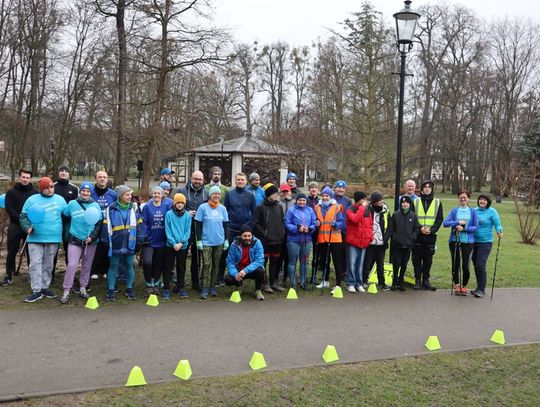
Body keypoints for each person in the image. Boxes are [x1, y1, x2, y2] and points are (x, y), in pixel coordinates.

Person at [19, 177, 67, 302]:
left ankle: (45, 287)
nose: (50, 190)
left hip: (53, 237)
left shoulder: (60, 200)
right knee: (35, 264)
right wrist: (27, 227)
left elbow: (67, 215)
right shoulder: (32, 200)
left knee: (49, 264)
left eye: (52, 187)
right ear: (41, 189)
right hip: (35, 238)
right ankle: (36, 290)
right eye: (47, 188)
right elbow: (23, 216)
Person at [59, 182, 102, 304]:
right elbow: (65, 215)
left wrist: (92, 237)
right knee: (72, 265)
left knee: (86, 266)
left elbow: (98, 223)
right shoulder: (72, 204)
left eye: (88, 191)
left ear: (91, 193)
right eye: (83, 191)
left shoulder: (95, 205)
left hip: (90, 241)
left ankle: (83, 288)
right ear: (80, 191)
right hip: (75, 240)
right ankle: (66, 290)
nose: (85, 193)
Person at [101, 185, 145, 301]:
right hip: (115, 243)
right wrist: (105, 241)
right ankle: (110, 289)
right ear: (120, 196)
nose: (130, 197)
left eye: (130, 194)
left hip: (130, 243)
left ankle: (129, 288)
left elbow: (140, 224)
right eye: (127, 194)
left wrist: (139, 241)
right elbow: (105, 226)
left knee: (129, 265)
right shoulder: (111, 209)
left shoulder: (134, 208)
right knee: (113, 266)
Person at [1, 169, 37, 286]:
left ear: (30, 179)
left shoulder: (35, 193)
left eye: (27, 178)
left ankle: (32, 275)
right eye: (23, 177)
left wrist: (27, 223)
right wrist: (21, 220)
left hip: (30, 227)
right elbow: (9, 209)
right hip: (15, 225)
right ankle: (8, 275)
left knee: (31, 252)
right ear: (19, 177)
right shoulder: (11, 192)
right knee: (12, 251)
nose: (25, 179)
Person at [194, 186, 229, 299]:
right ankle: (204, 287)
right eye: (214, 194)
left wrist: (226, 239)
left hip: (219, 241)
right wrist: (199, 240)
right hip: (206, 241)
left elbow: (226, 225)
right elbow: (198, 225)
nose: (217, 196)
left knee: (216, 264)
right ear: (210, 195)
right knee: (207, 264)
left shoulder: (222, 208)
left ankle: (212, 286)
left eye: (218, 194)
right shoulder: (203, 207)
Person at [221, 172, 256, 284]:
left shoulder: (250, 195)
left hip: (245, 231)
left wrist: (249, 227)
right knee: (226, 254)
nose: (240, 181)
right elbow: (224, 211)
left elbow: (254, 213)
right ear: (235, 181)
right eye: (238, 180)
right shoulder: (229, 194)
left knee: (244, 254)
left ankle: (242, 276)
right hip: (231, 229)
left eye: (242, 180)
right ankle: (221, 277)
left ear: (246, 182)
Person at [177, 170, 209, 290]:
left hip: (199, 229)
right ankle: (180, 283)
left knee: (197, 258)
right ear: (191, 178)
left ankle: (196, 282)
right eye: (195, 179)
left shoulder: (206, 194)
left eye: (200, 179)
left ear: (203, 180)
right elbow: (175, 207)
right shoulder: (182, 191)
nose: (197, 181)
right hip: (184, 229)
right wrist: (185, 212)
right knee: (181, 258)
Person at [443, 190, 479, 296]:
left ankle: (464, 285)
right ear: (458, 199)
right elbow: (445, 223)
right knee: (455, 264)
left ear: (468, 199)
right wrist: (457, 223)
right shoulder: (454, 211)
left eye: (465, 197)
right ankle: (457, 284)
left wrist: (464, 228)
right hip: (454, 241)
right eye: (461, 197)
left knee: (465, 266)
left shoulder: (472, 212)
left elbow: (476, 227)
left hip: (468, 242)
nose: (463, 199)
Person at [253, 184, 285, 293]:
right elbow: (256, 224)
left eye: (277, 193)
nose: (276, 195)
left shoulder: (279, 207)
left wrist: (282, 233)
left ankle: (273, 282)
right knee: (264, 262)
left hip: (277, 240)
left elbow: (282, 221)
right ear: (268, 194)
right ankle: (264, 284)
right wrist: (265, 234)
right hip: (265, 241)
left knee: (275, 262)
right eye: (274, 193)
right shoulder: (260, 207)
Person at [412, 180, 443, 291]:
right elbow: (413, 218)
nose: (427, 189)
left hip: (430, 236)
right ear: (421, 189)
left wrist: (432, 230)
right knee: (416, 259)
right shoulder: (415, 202)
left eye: (429, 187)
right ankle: (418, 280)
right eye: (425, 187)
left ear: (432, 189)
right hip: (418, 235)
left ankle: (426, 280)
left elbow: (439, 219)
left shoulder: (437, 202)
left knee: (428, 260)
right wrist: (420, 228)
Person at [141, 186, 172, 296]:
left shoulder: (166, 207)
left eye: (159, 193)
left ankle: (157, 283)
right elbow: (143, 223)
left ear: (163, 195)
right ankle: (149, 284)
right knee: (148, 262)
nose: (157, 195)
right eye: (155, 193)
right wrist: (144, 237)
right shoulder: (147, 207)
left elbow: (170, 220)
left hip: (162, 241)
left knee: (159, 263)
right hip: (149, 241)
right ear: (152, 195)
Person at [314, 186, 345, 293]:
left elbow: (342, 223)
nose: (325, 197)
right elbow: (316, 219)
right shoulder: (317, 207)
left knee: (337, 262)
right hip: (322, 239)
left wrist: (336, 224)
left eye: (327, 195)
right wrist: (316, 223)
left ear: (330, 197)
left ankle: (338, 284)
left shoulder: (336, 207)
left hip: (335, 239)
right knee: (324, 261)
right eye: (323, 195)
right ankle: (325, 281)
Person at [386, 196, 420, 291]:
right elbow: (391, 229)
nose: (405, 204)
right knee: (396, 264)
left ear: (409, 204)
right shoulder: (396, 215)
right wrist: (395, 237)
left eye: (407, 203)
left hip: (408, 245)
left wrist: (412, 238)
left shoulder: (413, 216)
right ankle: (394, 281)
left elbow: (416, 229)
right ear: (401, 204)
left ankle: (401, 282)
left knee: (404, 264)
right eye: (403, 203)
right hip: (397, 245)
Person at [472, 194, 503, 298]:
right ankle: (478, 287)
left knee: (480, 264)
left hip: (485, 242)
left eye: (484, 200)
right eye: (480, 199)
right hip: (473, 241)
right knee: (476, 264)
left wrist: (499, 231)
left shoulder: (492, 211)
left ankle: (481, 289)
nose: (482, 201)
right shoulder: (474, 210)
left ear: (488, 202)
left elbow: (497, 224)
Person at [225, 224, 266, 300]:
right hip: (239, 270)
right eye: (245, 236)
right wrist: (235, 274)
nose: (247, 238)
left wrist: (245, 270)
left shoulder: (257, 243)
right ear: (241, 236)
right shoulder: (234, 244)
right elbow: (230, 262)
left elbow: (259, 260)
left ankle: (258, 290)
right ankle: (239, 285)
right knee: (228, 279)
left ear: (252, 235)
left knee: (261, 270)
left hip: (251, 270)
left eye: (249, 236)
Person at [284, 193, 317, 288]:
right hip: (293, 240)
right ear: (296, 201)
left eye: (303, 201)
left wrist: (310, 228)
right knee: (292, 261)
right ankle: (292, 282)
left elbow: (314, 222)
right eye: (300, 200)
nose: (302, 202)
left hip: (307, 240)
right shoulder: (291, 210)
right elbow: (287, 223)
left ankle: (303, 282)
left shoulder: (310, 210)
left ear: (306, 201)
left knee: (305, 262)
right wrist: (296, 228)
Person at [52, 165, 79, 278]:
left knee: (70, 249)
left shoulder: (74, 188)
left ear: (69, 174)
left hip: (69, 223)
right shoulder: (52, 186)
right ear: (58, 173)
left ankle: (70, 274)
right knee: (53, 249)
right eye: (61, 171)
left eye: (66, 171)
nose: (63, 173)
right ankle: (50, 273)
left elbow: (77, 206)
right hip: (54, 223)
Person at [89, 171, 117, 280]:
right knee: (95, 247)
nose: (102, 179)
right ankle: (94, 270)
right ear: (95, 179)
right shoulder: (90, 192)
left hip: (108, 223)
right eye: (99, 177)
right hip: (93, 224)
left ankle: (105, 270)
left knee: (106, 246)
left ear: (107, 179)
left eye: (104, 177)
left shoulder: (112, 193)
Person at [164, 193, 192, 299]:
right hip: (170, 245)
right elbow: (168, 230)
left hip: (182, 246)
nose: (180, 205)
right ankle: (166, 288)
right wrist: (173, 243)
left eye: (182, 203)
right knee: (168, 267)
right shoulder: (169, 214)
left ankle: (180, 287)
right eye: (178, 202)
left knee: (181, 267)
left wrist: (181, 243)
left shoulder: (187, 216)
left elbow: (187, 231)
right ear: (174, 204)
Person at [362, 191, 390, 290]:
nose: (381, 201)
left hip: (382, 242)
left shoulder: (386, 210)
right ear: (374, 202)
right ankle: (364, 280)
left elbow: (389, 225)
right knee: (367, 263)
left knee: (380, 264)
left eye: (382, 199)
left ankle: (382, 283)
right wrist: (368, 237)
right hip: (370, 241)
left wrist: (385, 238)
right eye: (379, 200)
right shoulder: (367, 210)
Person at [345, 191, 372, 293]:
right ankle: (351, 283)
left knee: (360, 264)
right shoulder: (350, 210)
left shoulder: (367, 211)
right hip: (353, 241)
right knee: (352, 264)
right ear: (359, 200)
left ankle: (359, 283)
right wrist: (362, 208)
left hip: (364, 241)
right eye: (364, 199)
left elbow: (370, 225)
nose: (366, 201)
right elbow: (355, 219)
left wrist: (370, 237)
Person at [278, 183, 294, 285]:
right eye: (283, 191)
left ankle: (286, 276)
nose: (285, 193)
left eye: (287, 191)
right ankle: (278, 275)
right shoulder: (278, 203)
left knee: (289, 256)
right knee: (280, 256)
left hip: (291, 233)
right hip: (280, 233)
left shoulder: (294, 203)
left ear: (290, 192)